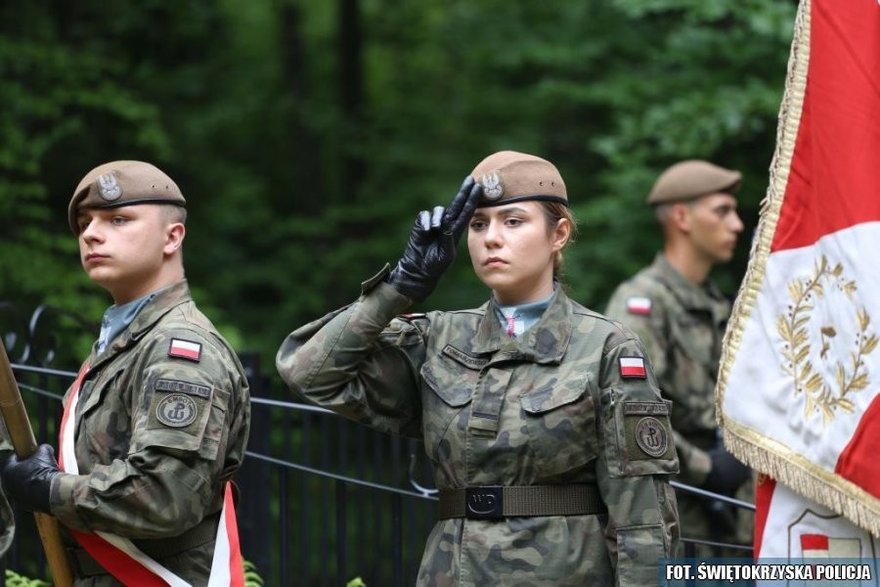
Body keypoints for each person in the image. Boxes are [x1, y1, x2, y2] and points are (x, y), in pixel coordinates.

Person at [277, 150, 680, 586]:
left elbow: (643, 522)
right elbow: (308, 371)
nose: (491, 238)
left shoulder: (605, 348)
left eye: (513, 221)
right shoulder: (439, 339)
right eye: (477, 224)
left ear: (558, 233)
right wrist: (399, 287)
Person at [0, 161, 251, 584]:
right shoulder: (122, 347)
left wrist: (50, 489)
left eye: (119, 219)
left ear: (173, 237)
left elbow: (163, 496)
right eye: (84, 223)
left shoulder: (179, 352)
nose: (91, 234)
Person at [604, 159, 752, 555]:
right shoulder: (643, 305)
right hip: (676, 521)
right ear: (682, 217)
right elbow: (628, 413)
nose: (737, 225)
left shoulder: (718, 304)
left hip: (732, 523)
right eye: (722, 211)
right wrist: (708, 468)